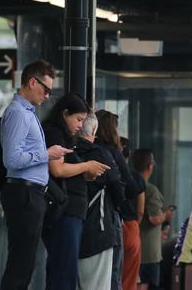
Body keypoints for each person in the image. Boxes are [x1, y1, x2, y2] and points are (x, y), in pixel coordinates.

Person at [0, 60, 71, 290]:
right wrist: (46, 154)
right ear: (32, 82)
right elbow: (11, 159)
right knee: (21, 263)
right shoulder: (18, 113)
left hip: (31, 193)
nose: (47, 96)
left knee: (26, 262)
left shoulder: (27, 113)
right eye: (46, 89)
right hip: (24, 192)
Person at [42, 92, 108, 290]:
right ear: (64, 114)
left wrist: (86, 173)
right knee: (64, 272)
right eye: (78, 119)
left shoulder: (65, 137)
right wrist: (86, 167)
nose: (80, 125)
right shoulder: (54, 133)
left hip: (72, 212)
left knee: (64, 270)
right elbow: (58, 169)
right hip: (64, 212)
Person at [94, 110, 145, 290]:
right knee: (116, 273)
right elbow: (132, 189)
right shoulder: (112, 153)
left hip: (87, 220)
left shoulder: (86, 149)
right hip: (113, 219)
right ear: (111, 130)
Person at [75, 112, 124, 290]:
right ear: (94, 129)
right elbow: (118, 188)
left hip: (71, 229)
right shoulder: (100, 154)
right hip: (99, 229)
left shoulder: (67, 153)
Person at [133, 148, 173, 290]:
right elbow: (154, 218)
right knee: (147, 284)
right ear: (150, 166)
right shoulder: (150, 189)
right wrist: (166, 215)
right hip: (149, 251)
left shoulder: (128, 184)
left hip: (132, 246)